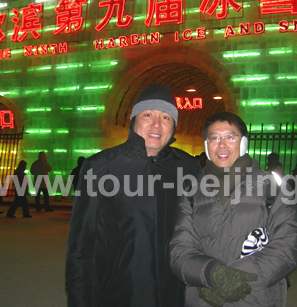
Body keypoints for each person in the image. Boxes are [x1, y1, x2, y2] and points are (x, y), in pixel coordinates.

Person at [65, 83, 202, 307]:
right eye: (148, 114)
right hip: (120, 293)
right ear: (134, 119)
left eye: (166, 117)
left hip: (174, 293)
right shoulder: (100, 167)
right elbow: (81, 245)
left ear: (174, 125)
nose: (156, 124)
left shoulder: (188, 167)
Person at [170, 112, 297, 307]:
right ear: (207, 146)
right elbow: (179, 250)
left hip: (256, 297)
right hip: (204, 297)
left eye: (230, 137)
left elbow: (289, 242)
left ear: (243, 143)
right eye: (214, 138)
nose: (222, 144)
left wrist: (236, 279)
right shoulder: (191, 191)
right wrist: (212, 274)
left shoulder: (272, 187)